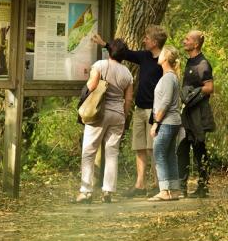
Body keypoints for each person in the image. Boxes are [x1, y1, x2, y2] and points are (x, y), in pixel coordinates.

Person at [92, 25, 167, 197]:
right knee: (140, 147)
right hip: (140, 109)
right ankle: (140, 185)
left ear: (155, 42)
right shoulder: (145, 56)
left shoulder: (164, 60)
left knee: (153, 149)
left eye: (147, 38)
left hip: (154, 112)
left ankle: (158, 185)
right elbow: (124, 53)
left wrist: (160, 113)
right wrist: (104, 44)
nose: (144, 40)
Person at [76, 39, 133, 203]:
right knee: (112, 152)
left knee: (89, 151)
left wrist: (88, 82)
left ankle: (86, 191)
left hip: (99, 113)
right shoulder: (127, 73)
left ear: (110, 52)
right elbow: (128, 99)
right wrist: (123, 114)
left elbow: (93, 86)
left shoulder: (100, 65)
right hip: (118, 115)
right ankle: (108, 191)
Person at [177, 30, 215, 198]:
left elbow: (209, 87)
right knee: (183, 148)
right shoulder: (190, 62)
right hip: (188, 113)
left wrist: (193, 93)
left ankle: (203, 187)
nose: (184, 41)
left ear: (196, 44)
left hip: (199, 113)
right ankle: (182, 186)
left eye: (187, 39)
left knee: (199, 148)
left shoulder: (203, 63)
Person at [148, 45, 182, 201]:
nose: (158, 56)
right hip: (172, 122)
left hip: (167, 122)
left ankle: (164, 190)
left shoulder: (169, 77)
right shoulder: (170, 76)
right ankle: (174, 190)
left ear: (167, 57)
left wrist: (156, 123)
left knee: (159, 153)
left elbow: (166, 101)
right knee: (169, 155)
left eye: (161, 54)